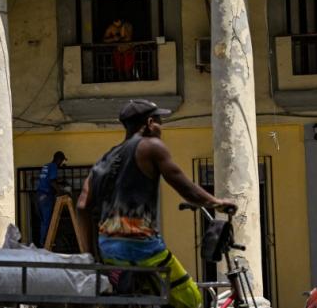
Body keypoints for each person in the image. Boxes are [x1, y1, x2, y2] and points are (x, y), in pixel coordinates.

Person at [77, 99, 236, 308]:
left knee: (155, 298)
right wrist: (217, 203)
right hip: (142, 247)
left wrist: (90, 255)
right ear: (150, 122)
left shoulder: (105, 158)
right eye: (160, 122)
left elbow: (81, 206)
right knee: (191, 298)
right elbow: (186, 188)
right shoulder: (151, 146)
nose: (161, 128)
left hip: (108, 250)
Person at [36, 151, 68, 247]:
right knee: (48, 221)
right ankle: (46, 243)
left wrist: (59, 182)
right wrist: (61, 192)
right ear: (58, 159)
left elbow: (48, 180)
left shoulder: (46, 166)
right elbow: (52, 182)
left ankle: (43, 242)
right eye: (62, 161)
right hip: (46, 196)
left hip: (39, 196)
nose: (61, 163)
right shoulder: (53, 166)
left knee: (43, 222)